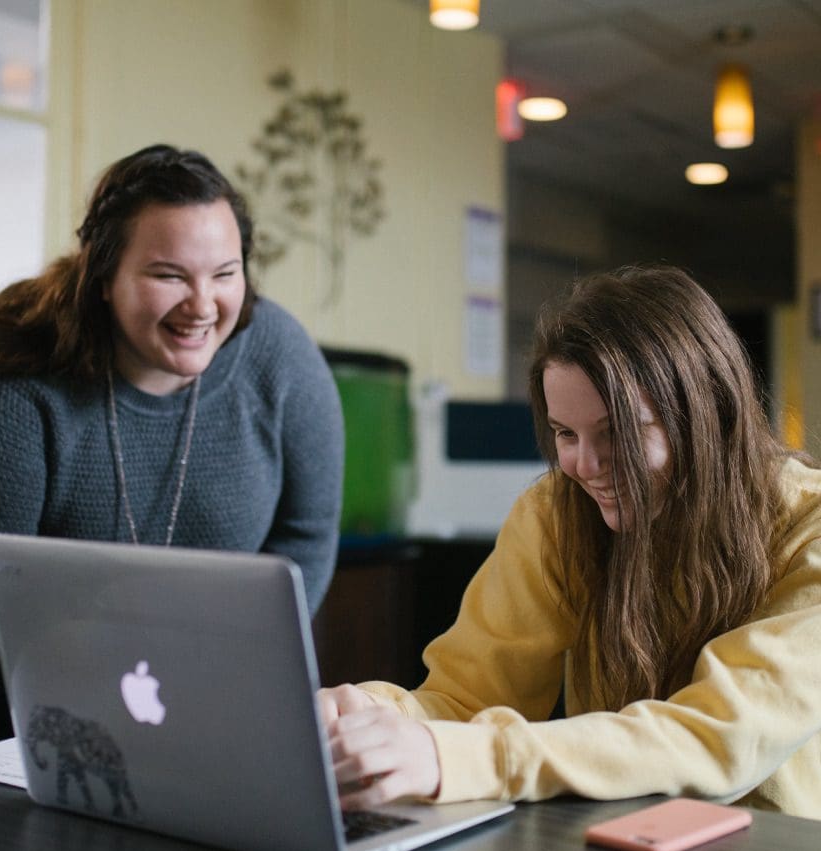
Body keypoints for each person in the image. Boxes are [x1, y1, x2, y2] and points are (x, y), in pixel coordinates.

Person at [321, 265, 821, 820]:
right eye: (565, 433)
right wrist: (370, 714)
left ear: (710, 413)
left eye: (618, 433)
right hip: (615, 848)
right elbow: (467, 699)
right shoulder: (556, 515)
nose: (584, 465)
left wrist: (467, 756)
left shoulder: (811, 527)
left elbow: (720, 737)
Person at [0, 143, 344, 749]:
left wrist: (229, 651)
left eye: (225, 273)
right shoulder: (7, 367)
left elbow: (306, 539)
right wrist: (107, 610)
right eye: (169, 275)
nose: (203, 306)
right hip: (25, 704)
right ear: (102, 275)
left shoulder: (280, 357)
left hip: (213, 684)